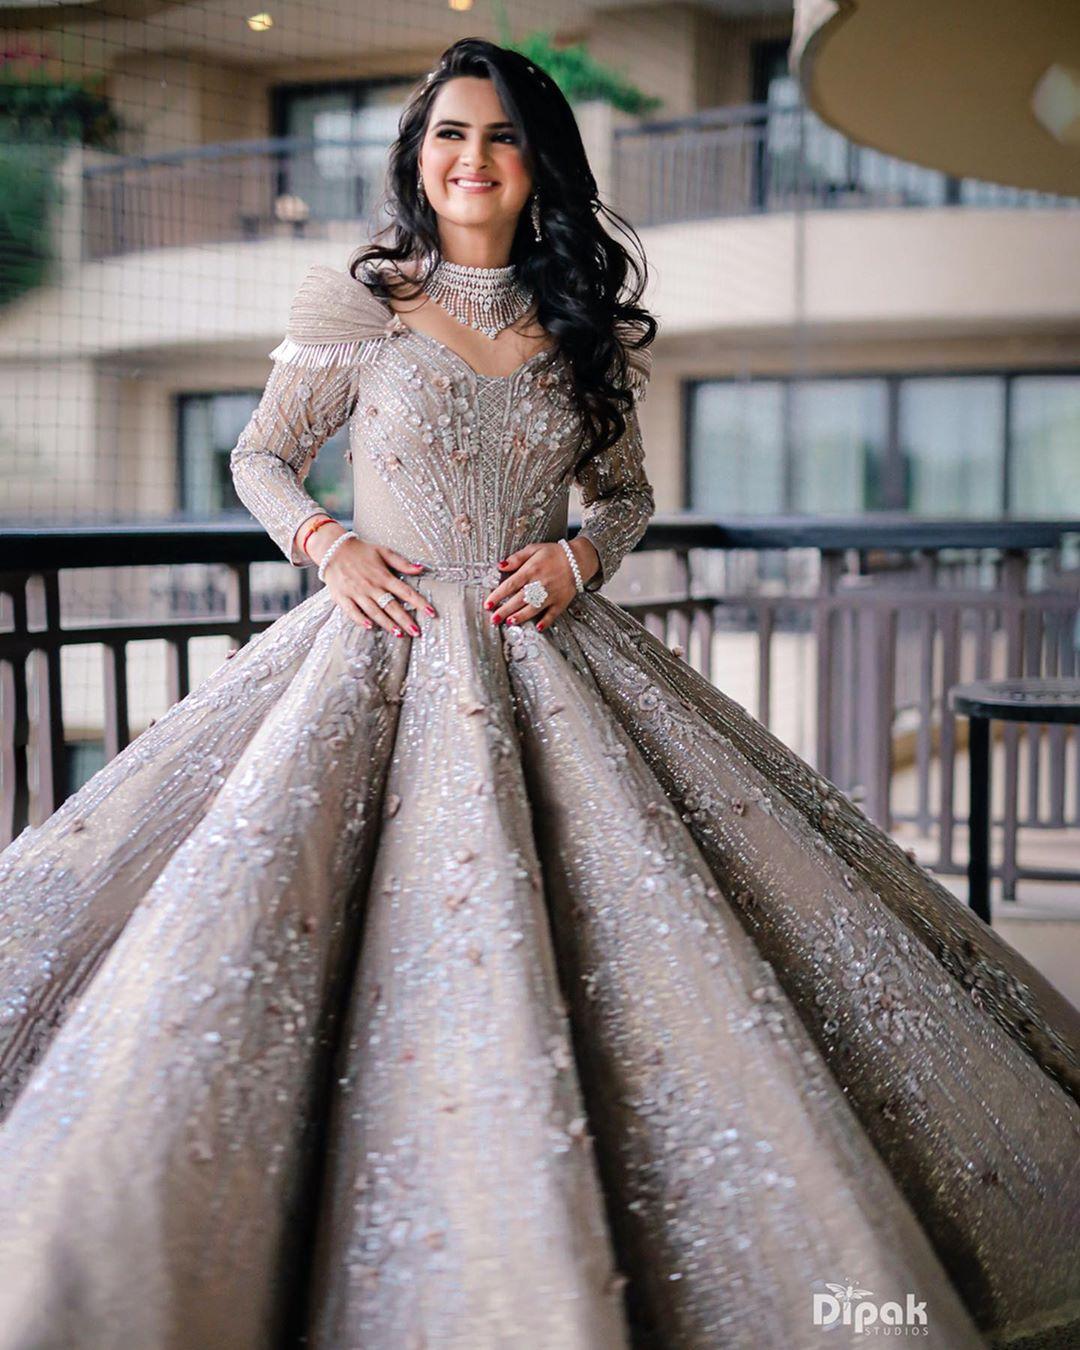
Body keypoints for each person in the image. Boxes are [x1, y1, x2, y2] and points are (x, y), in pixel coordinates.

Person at [0, 36, 1077, 1350]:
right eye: (448, 134)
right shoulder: (366, 303)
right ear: (417, 157)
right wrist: (332, 548)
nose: (470, 158)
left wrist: (581, 554)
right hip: (377, 645)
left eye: (500, 137)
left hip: (550, 650)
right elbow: (260, 452)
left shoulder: (581, 322)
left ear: (536, 164)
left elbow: (627, 495)